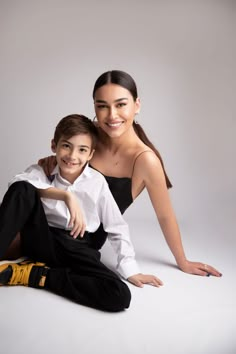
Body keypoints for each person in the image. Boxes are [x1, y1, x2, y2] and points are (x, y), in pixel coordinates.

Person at [3, 70, 222, 280]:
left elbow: (165, 216)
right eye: (102, 106)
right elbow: (63, 158)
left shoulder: (145, 160)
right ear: (95, 108)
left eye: (121, 105)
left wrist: (182, 261)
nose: (112, 115)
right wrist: (49, 164)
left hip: (79, 242)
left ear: (137, 105)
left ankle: (34, 273)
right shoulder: (90, 135)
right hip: (44, 222)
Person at [0, 114, 162, 312]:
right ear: (54, 146)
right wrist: (65, 196)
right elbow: (17, 186)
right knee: (22, 188)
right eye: (66, 146)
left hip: (77, 246)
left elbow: (116, 226)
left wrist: (130, 269)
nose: (72, 156)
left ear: (90, 154)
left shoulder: (96, 182)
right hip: (42, 239)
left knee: (119, 295)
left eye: (82, 150)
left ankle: (37, 275)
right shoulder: (42, 170)